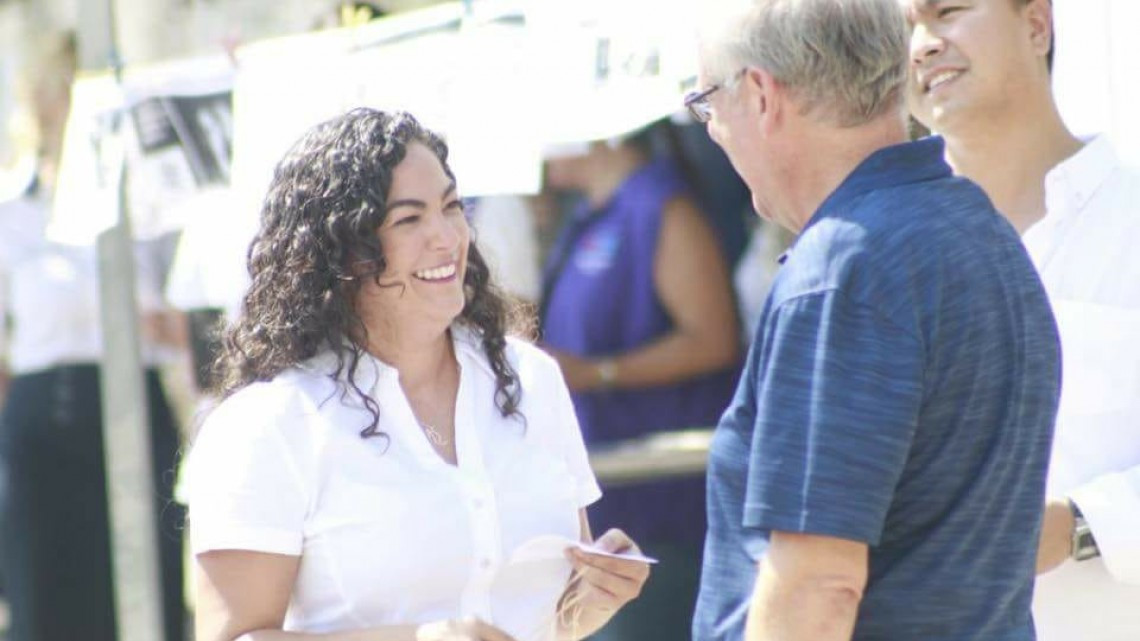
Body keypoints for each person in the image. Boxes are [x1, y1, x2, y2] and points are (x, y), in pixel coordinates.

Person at [187, 108, 649, 641]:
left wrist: (596, 596)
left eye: (451, 207)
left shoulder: (533, 380)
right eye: (409, 219)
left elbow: (552, 621)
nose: (447, 237)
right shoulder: (267, 425)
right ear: (342, 251)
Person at [689, 1, 1061, 639]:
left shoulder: (842, 267)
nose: (712, 130)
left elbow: (818, 585)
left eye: (706, 103)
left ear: (759, 95)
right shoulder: (978, 227)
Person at [905, 1, 1140, 638]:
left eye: (947, 11)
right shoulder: (885, 259)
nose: (922, 45)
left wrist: (1080, 525)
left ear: (1037, 24)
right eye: (902, 30)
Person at [0, 33, 187, 641]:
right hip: (42, 422)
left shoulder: (150, 199)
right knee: (46, 595)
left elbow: (191, 312)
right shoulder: (11, 209)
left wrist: (143, 320)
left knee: (145, 595)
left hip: (137, 402)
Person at [540, 126, 741, 641]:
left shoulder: (662, 207)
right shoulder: (585, 215)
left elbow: (714, 338)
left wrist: (599, 373)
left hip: (662, 513)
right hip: (608, 511)